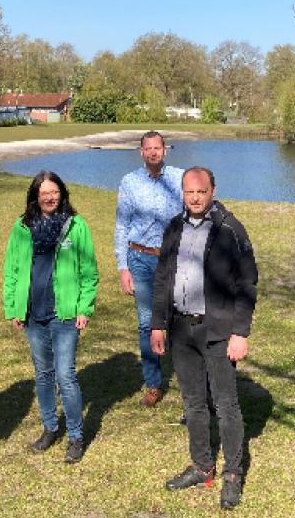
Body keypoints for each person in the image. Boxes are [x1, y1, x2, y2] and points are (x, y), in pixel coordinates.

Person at [150, 166, 258, 510]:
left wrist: (240, 332)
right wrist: (158, 324)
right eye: (189, 192)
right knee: (193, 403)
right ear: (182, 193)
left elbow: (247, 285)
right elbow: (163, 278)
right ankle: (202, 466)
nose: (195, 198)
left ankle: (232, 473)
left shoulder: (230, 230)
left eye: (201, 191)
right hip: (182, 330)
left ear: (212, 190)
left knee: (225, 406)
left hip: (219, 331)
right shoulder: (175, 227)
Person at [3, 171, 98, 464]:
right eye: (44, 192)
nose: (49, 197)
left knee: (65, 376)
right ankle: (49, 428)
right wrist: (13, 308)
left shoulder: (75, 226)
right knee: (43, 374)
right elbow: (12, 270)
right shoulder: (22, 228)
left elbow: (89, 271)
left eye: (54, 191)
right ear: (35, 196)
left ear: (62, 193)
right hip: (33, 314)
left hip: (65, 314)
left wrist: (84, 307)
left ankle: (75, 436)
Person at [114, 130, 184, 407]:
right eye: (148, 148)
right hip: (140, 259)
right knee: (146, 323)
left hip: (173, 259)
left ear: (165, 150)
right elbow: (122, 225)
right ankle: (153, 383)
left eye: (158, 147)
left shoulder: (179, 179)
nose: (154, 152)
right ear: (141, 152)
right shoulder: (130, 182)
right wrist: (123, 267)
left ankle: (188, 374)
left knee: (180, 319)